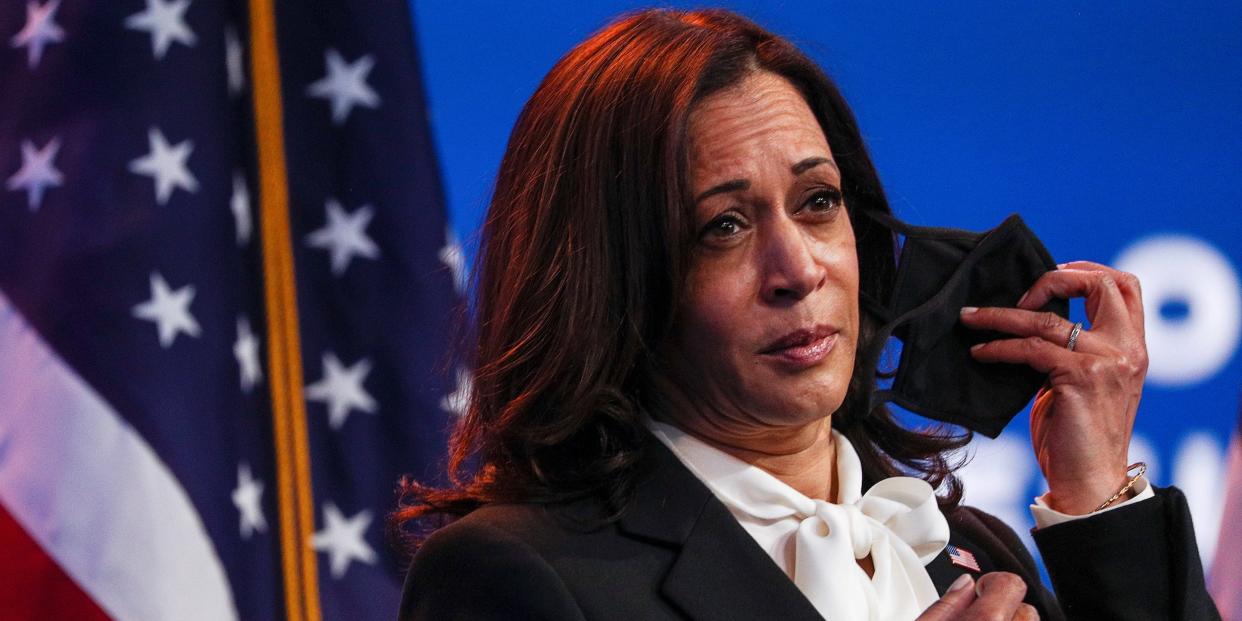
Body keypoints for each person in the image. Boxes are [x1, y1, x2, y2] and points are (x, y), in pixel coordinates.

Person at [394, 8, 1219, 620]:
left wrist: (1098, 491)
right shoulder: (514, 573)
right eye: (724, 226)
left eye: (819, 203)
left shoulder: (969, 550)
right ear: (615, 281)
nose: (800, 267)